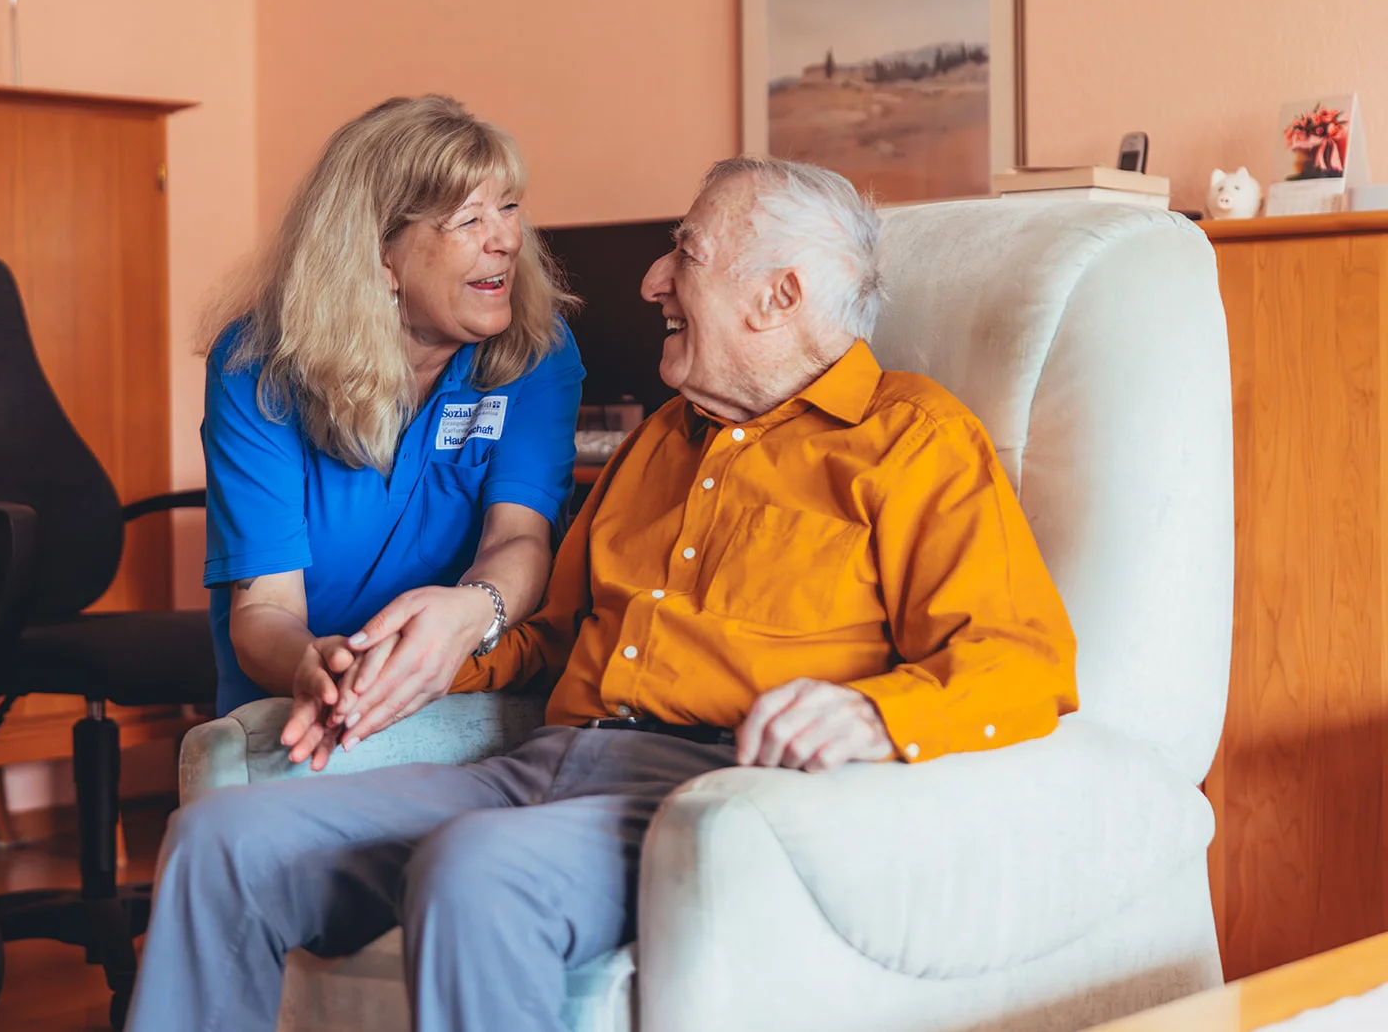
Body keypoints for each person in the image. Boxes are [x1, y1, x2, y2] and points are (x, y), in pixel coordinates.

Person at [128, 157, 1079, 1032]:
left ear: (777, 296)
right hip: (545, 763)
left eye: (685, 254)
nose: (652, 281)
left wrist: (873, 713)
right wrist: (409, 657)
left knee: (479, 872)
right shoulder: (664, 438)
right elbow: (545, 633)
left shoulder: (910, 441)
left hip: (707, 795)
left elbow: (1021, 659)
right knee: (221, 837)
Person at [198, 95, 584, 723]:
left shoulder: (537, 350)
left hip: (464, 689)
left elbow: (518, 537)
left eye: (509, 208)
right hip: (298, 702)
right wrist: (319, 668)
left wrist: (472, 610)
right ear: (380, 256)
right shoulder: (257, 364)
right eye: (468, 220)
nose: (508, 240)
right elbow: (265, 611)